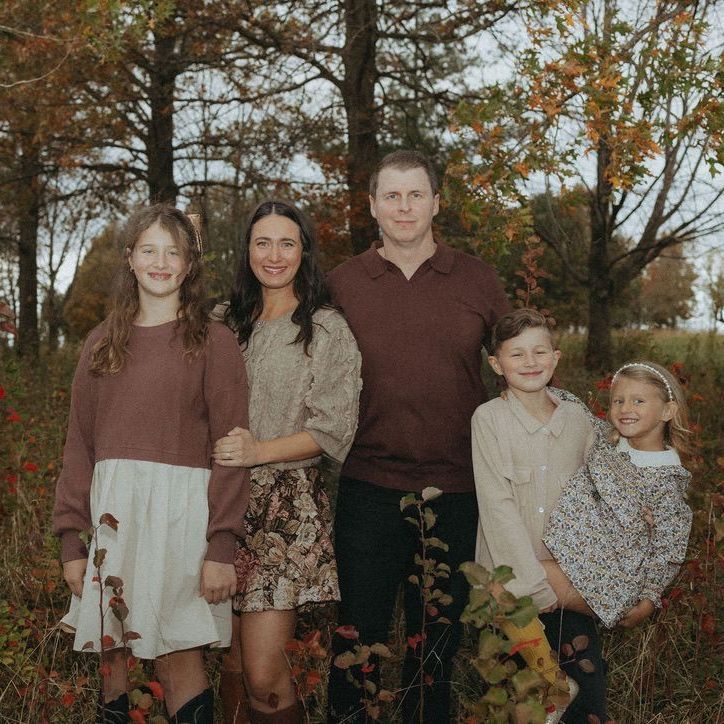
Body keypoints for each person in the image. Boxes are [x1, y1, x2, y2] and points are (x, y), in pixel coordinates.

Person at [326, 150, 510, 723]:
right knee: (358, 640)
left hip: (457, 489)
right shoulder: (342, 284)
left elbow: (521, 366)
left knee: (435, 648)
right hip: (368, 486)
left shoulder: (477, 279)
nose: (404, 207)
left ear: (437, 201)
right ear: (373, 205)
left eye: (415, 195)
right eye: (391, 196)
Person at [53, 205, 250, 723]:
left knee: (180, 654)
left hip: (183, 521)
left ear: (189, 266)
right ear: (131, 259)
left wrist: (222, 546)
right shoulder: (100, 343)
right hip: (112, 519)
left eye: (173, 252)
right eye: (149, 250)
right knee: (111, 655)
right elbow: (79, 447)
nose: (160, 262)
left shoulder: (215, 342)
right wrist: (73, 541)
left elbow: (232, 451)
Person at [212, 200, 362, 724]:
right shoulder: (220, 322)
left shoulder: (324, 329)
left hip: (284, 509)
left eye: (287, 243)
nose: (274, 255)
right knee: (226, 656)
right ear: (247, 250)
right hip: (214, 503)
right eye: (262, 242)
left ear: (305, 252)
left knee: (265, 675)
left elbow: (332, 428)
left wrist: (257, 452)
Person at [472, 308, 607, 723]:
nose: (530, 363)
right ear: (496, 364)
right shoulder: (489, 420)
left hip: (569, 579)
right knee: (518, 697)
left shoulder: (581, 420)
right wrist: (534, 588)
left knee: (585, 686)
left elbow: (606, 487)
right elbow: (497, 507)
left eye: (539, 352)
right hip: (511, 590)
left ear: (556, 356)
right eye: (517, 355)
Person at [544, 361, 692, 629]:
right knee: (519, 589)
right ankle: (555, 664)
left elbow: (668, 548)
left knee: (518, 578)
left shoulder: (665, 479)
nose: (625, 409)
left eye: (638, 401)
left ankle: (543, 665)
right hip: (578, 562)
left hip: (614, 582)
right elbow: (578, 410)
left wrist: (647, 603)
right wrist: (533, 390)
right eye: (618, 401)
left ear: (668, 410)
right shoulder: (608, 442)